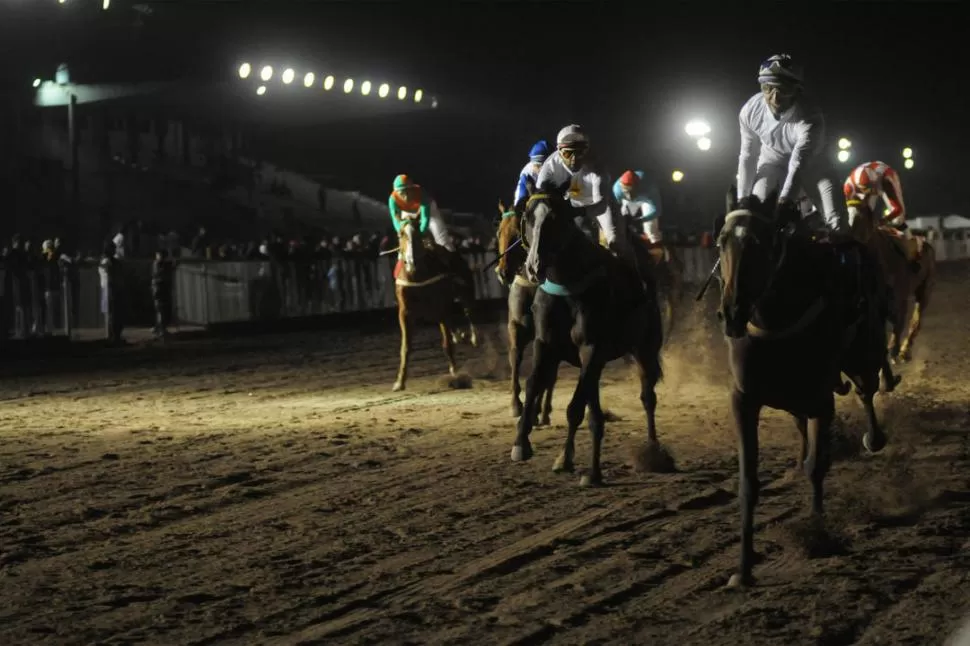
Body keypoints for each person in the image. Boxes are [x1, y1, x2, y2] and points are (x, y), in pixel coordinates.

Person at [736, 54, 845, 233]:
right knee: (758, 215)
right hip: (772, 164)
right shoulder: (750, 110)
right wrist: (743, 198)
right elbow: (748, 156)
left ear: (797, 90)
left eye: (783, 89)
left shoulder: (810, 116)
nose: (774, 97)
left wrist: (785, 202)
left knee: (837, 224)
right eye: (767, 88)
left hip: (813, 168)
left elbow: (798, 164)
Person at [535, 125, 630, 260]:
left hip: (599, 204)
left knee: (615, 244)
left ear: (587, 151)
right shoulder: (549, 167)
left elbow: (601, 207)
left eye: (579, 152)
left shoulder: (598, 168)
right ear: (559, 151)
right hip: (573, 200)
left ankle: (631, 274)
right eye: (568, 153)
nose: (574, 159)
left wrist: (575, 212)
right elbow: (539, 199)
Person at [388, 174, 470, 283]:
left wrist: (420, 234)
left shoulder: (421, 194)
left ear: (413, 189)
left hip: (429, 213)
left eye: (408, 191)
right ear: (396, 192)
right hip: (408, 213)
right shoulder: (392, 200)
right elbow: (396, 220)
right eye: (402, 193)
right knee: (405, 242)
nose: (406, 196)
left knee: (442, 239)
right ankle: (399, 274)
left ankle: (456, 270)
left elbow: (425, 219)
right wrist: (401, 232)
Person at [843, 161, 919, 265]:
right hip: (868, 181)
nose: (868, 194)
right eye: (865, 190)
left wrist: (882, 221)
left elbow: (898, 209)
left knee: (897, 220)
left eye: (871, 190)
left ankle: (913, 249)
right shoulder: (849, 186)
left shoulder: (886, 181)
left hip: (885, 174)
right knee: (854, 215)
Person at [613, 170, 664, 260]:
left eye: (630, 191)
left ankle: (657, 252)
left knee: (650, 229)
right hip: (630, 201)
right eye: (626, 192)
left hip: (646, 199)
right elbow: (616, 210)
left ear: (638, 186)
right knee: (623, 220)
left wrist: (641, 219)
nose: (629, 195)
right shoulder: (617, 190)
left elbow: (657, 211)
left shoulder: (650, 187)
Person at [514, 140, 550, 205]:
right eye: (537, 166)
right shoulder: (526, 173)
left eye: (544, 166)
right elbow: (520, 197)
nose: (540, 170)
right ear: (532, 164)